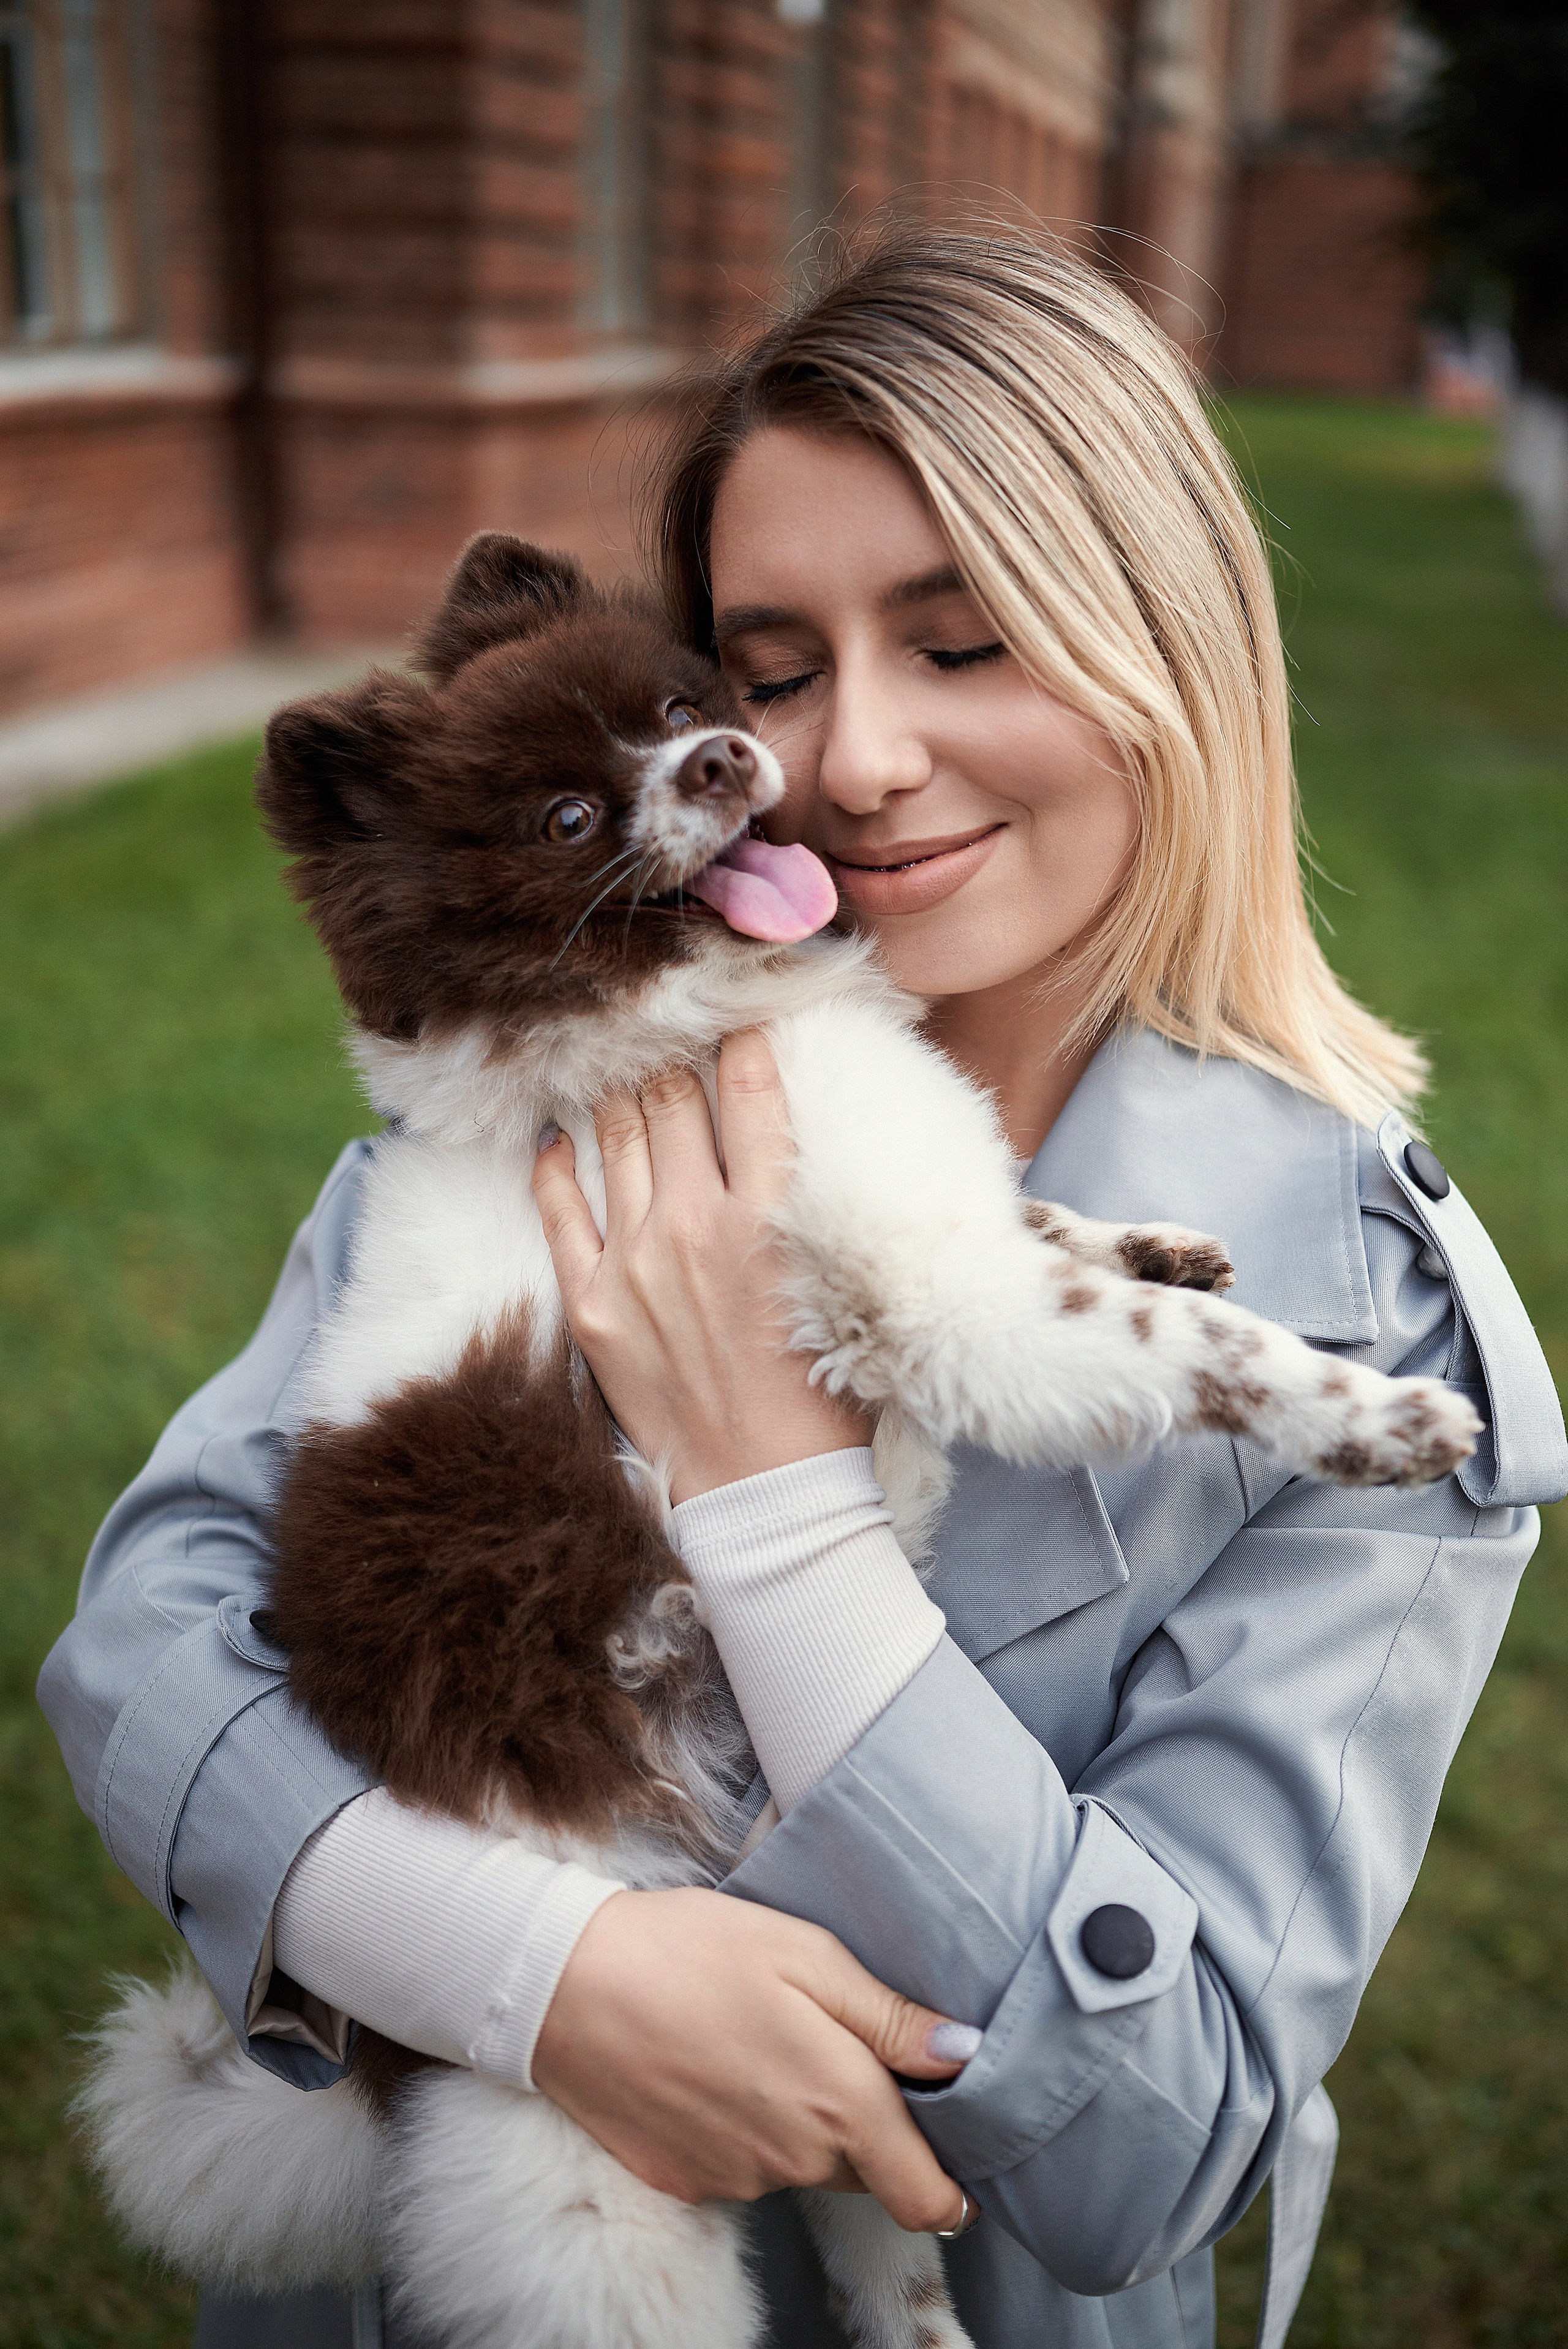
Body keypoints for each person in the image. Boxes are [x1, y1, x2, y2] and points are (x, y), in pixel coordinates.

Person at [39, 230, 1567, 2349]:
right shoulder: (545, 1105)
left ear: (1172, 655)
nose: (850, 761)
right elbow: (141, 1642)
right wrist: (537, 1972)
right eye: (770, 665)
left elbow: (1161, 2130)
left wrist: (779, 1501)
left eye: (965, 644)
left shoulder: (1363, 1318)